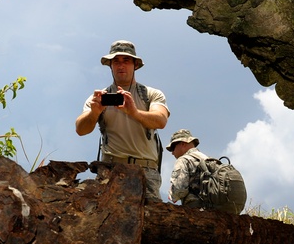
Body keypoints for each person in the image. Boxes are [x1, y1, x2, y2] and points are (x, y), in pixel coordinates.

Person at [75, 40, 170, 202]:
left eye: (126, 61)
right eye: (116, 62)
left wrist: (133, 112)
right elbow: (80, 129)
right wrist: (94, 113)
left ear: (135, 65)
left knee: (149, 220)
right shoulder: (99, 98)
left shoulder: (151, 94)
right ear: (110, 66)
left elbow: (160, 120)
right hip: (110, 170)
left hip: (145, 171)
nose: (121, 66)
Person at [167, 129, 209, 209]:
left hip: (196, 212)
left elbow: (179, 190)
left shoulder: (183, 160)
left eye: (173, 148)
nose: (172, 153)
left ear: (183, 143)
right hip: (215, 211)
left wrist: (172, 193)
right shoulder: (207, 158)